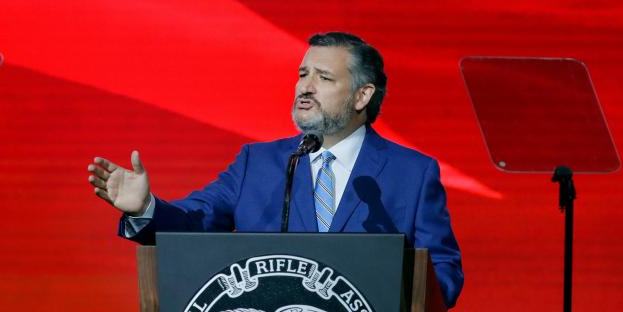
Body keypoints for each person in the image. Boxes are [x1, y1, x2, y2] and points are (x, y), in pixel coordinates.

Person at [88, 32, 464, 308]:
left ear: (362, 96)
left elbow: (444, 272)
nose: (305, 87)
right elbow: (195, 221)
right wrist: (145, 209)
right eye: (303, 74)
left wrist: (400, 293)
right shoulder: (259, 162)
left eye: (324, 78)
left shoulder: (412, 173)